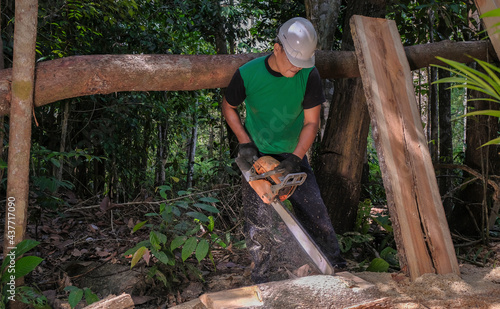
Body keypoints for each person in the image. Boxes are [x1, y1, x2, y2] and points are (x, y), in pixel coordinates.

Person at [222, 17, 346, 283]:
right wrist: (244, 142)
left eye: (302, 63)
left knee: (315, 211)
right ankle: (262, 275)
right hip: (256, 154)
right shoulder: (248, 74)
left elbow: (312, 122)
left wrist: (295, 159)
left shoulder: (309, 75)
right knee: (258, 222)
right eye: (293, 62)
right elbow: (228, 107)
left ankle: (335, 267)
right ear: (277, 48)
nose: (296, 69)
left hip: (293, 154)